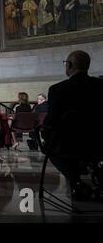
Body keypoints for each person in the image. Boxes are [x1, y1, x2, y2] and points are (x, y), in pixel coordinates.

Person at [43, 50, 103, 200]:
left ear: (69, 65)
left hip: (67, 143)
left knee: (50, 147)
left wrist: (45, 135)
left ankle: (75, 180)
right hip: (99, 142)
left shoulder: (57, 89)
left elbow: (51, 121)